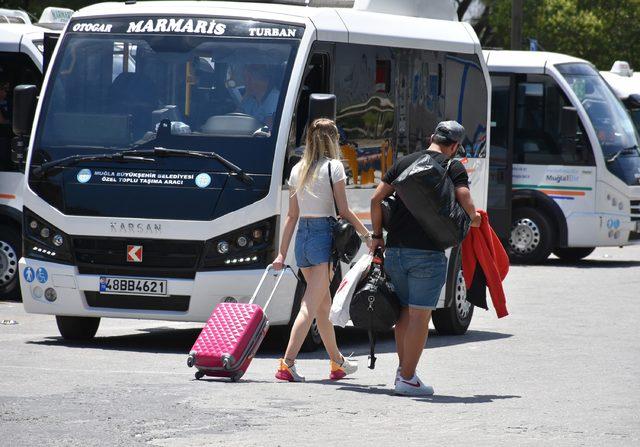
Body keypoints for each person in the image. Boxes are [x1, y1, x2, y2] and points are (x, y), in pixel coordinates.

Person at [370, 120, 482, 396]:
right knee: (421, 316)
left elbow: (375, 200)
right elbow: (463, 194)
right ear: (454, 146)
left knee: (404, 315)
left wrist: (376, 237)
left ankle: (404, 372)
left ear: (432, 136)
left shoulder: (404, 162)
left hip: (395, 251)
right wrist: (474, 216)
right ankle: (407, 377)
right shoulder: (451, 166)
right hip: (427, 254)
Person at [273, 118, 371, 382]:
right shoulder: (334, 168)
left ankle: (337, 362)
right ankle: (287, 363)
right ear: (332, 140)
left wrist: (282, 253)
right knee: (309, 305)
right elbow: (344, 210)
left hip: (302, 239)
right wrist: (367, 236)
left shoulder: (298, 169)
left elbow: (291, 216)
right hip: (322, 236)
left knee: (322, 305)